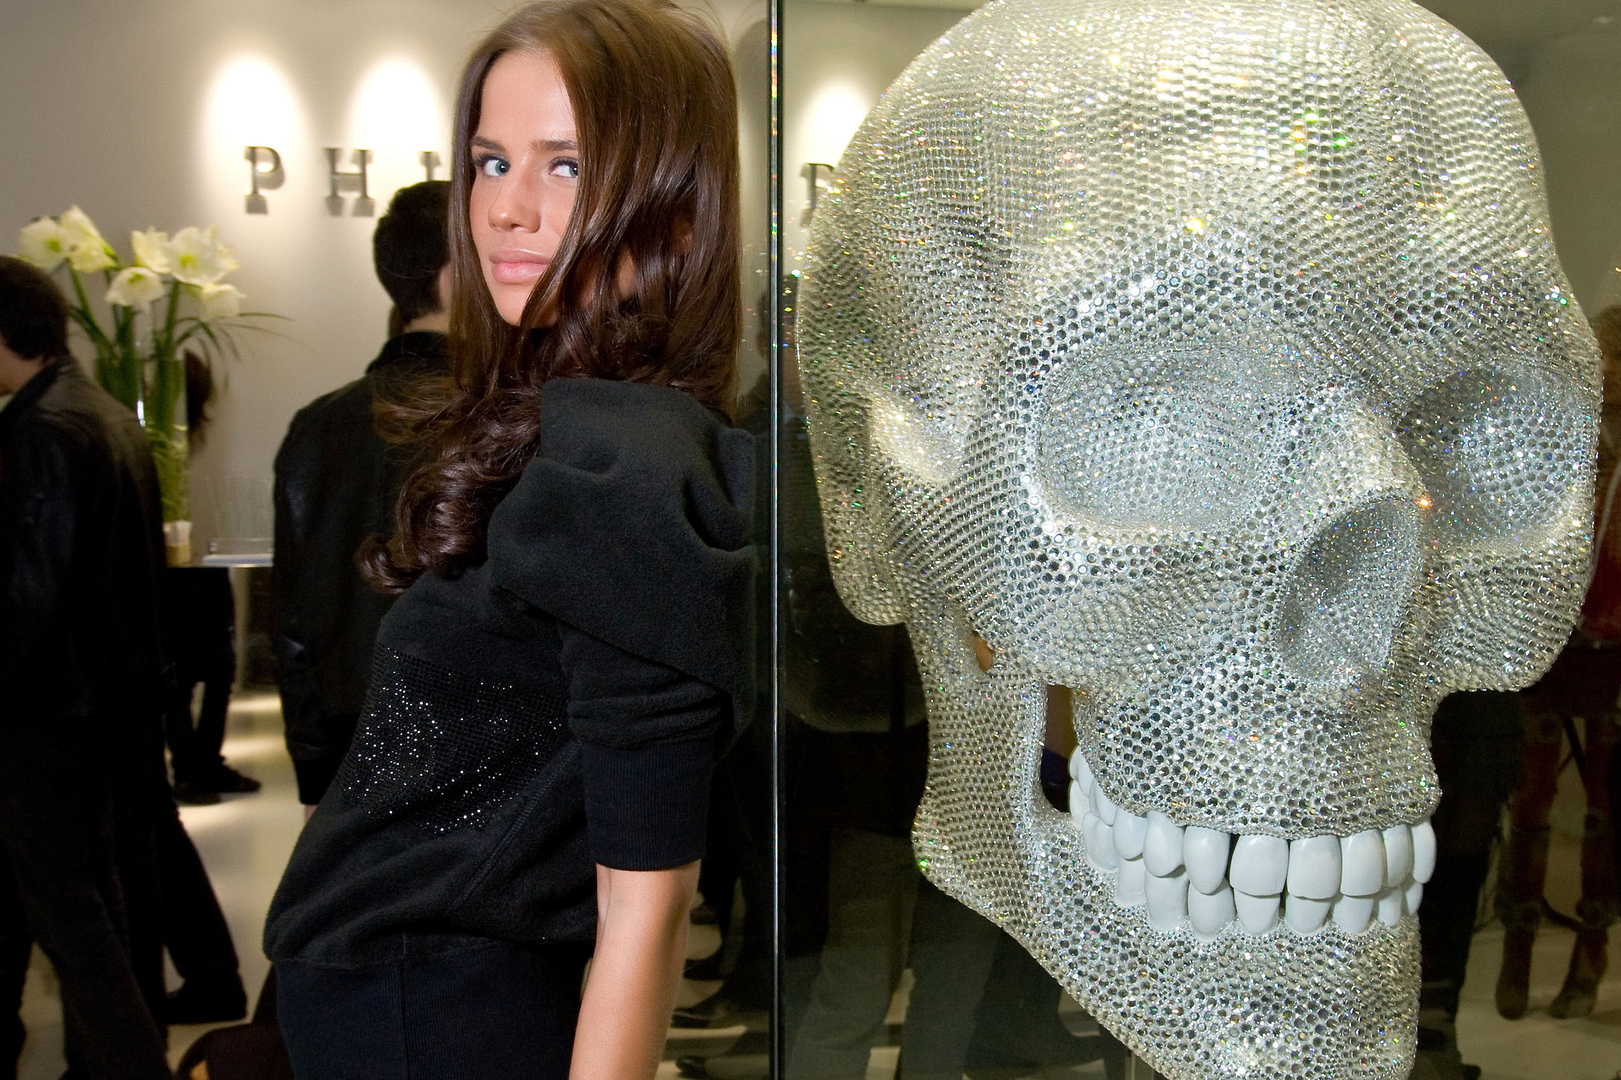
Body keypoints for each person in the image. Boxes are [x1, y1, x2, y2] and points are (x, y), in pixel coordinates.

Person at [264, 3, 753, 1078]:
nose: (507, 209)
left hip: (436, 1012)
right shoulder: (569, 423)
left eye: (565, 166)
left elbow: (648, 900)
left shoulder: (622, 465)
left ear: (675, 208)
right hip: (414, 998)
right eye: (491, 162)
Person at [0, 255, 172, 1079]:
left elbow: (31, 598)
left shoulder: (43, 432)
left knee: (71, 912)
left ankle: (127, 1065)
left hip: (45, 710)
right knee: (92, 895)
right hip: (99, 704)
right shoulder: (99, 410)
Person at [272, 179, 454, 809]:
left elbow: (293, 618)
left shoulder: (317, 426)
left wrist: (313, 772)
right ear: (456, 273)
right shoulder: (504, 417)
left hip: (352, 754)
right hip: (476, 761)